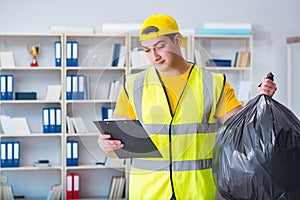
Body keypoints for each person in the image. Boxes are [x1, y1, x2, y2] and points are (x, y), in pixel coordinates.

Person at [98, 14, 277, 200]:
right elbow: (116, 142)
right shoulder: (133, 85)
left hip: (196, 191)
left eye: (160, 47)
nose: (154, 56)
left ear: (177, 40)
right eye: (147, 50)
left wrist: (261, 101)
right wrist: (105, 145)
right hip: (147, 192)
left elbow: (243, 128)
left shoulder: (213, 83)